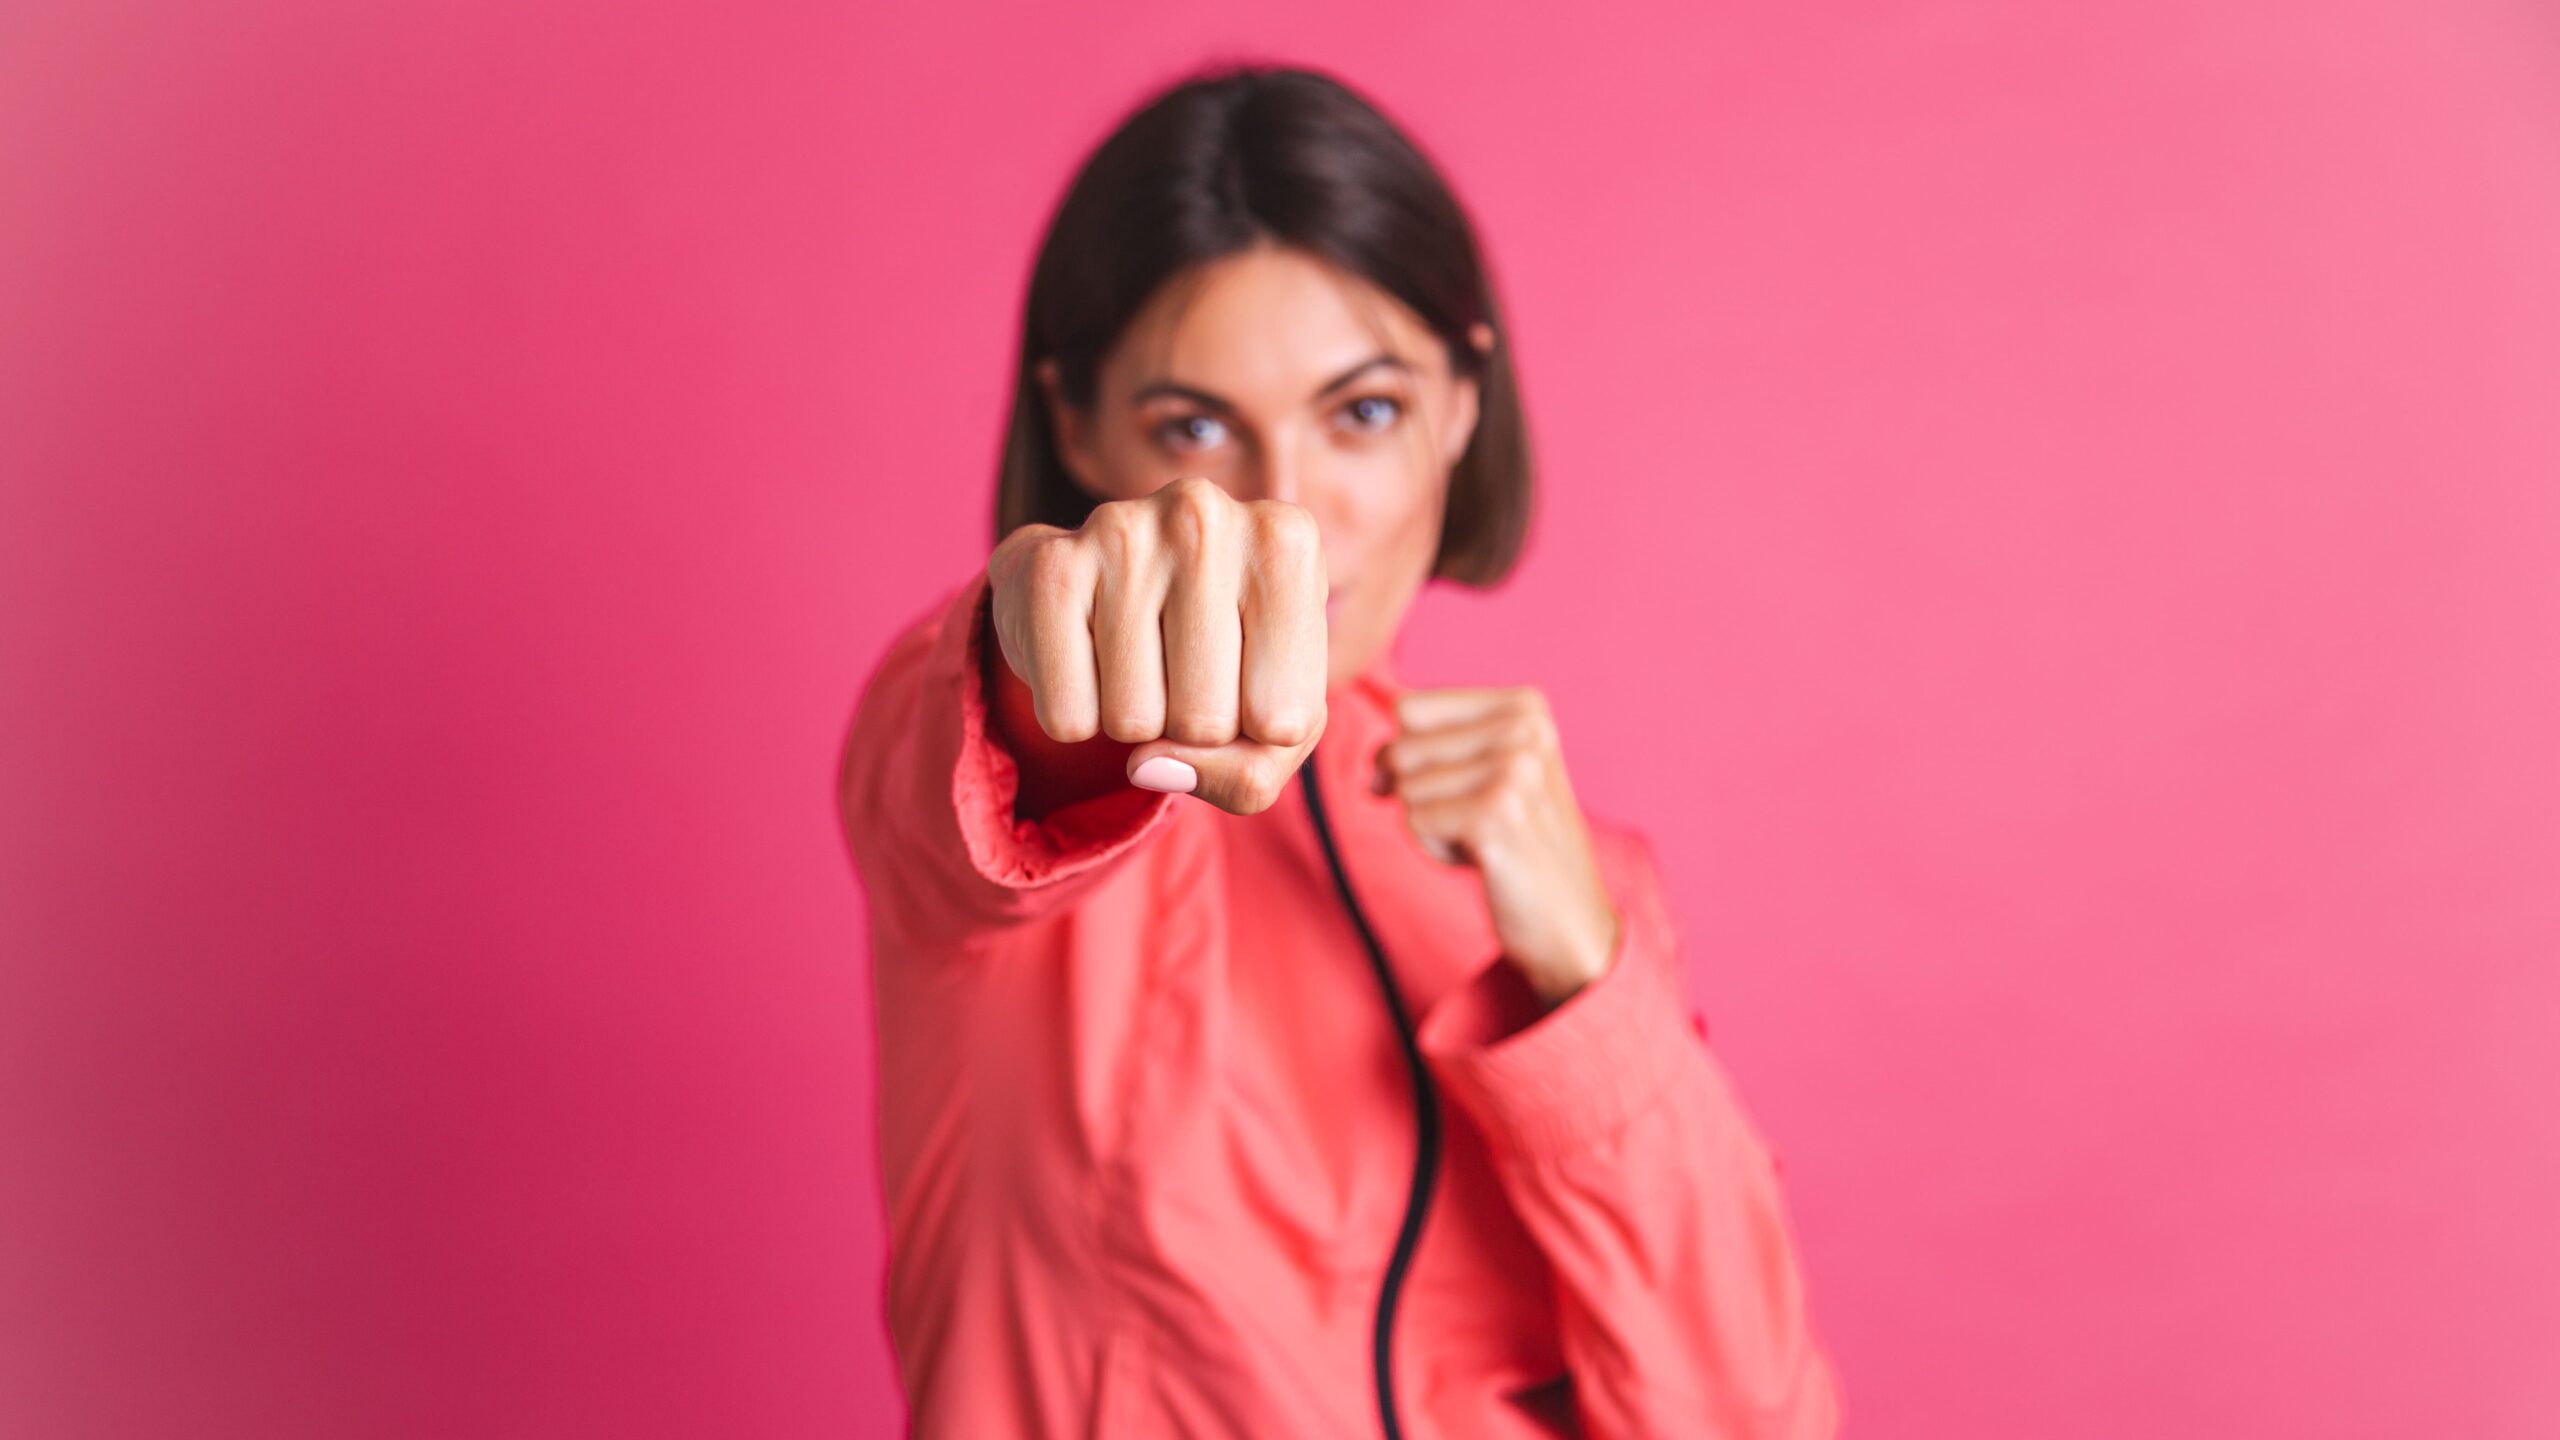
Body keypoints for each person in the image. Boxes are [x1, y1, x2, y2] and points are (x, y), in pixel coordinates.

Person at [837, 62, 1842, 1439]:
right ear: (1076, 426)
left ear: (1460, 405)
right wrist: (1042, 668)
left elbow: (1743, 1416)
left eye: (1360, 412)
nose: (1285, 511)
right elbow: (954, 789)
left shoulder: (1564, 875)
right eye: (1193, 427)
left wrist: (1587, 982)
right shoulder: (1016, 777)